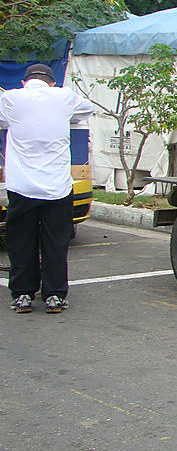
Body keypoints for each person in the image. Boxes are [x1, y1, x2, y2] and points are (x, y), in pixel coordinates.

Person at [1, 63, 93, 313]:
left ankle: (22, 294)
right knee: (56, 242)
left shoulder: (10, 98)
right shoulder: (64, 96)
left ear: (24, 82)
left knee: (21, 242)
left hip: (22, 188)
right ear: (52, 82)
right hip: (57, 188)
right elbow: (87, 109)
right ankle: (54, 295)